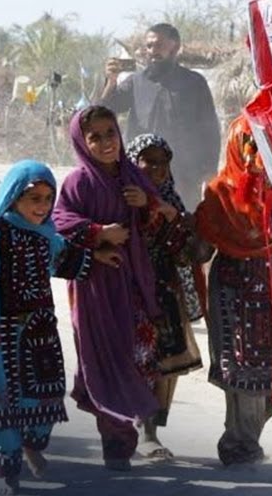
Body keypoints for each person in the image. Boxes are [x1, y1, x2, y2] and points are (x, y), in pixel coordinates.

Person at [0, 159, 115, 495]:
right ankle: (10, 471)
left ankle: (33, 445)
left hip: (41, 333)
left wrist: (98, 256)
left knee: (43, 401)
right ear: (15, 197)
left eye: (49, 198)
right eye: (35, 198)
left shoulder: (47, 234)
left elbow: (63, 259)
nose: (43, 206)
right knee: (5, 406)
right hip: (3, 335)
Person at [52, 106, 164, 471]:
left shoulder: (133, 177)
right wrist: (99, 236)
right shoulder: (78, 183)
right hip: (95, 290)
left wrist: (145, 204)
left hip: (134, 286)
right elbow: (59, 223)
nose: (104, 142)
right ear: (82, 142)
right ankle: (115, 445)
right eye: (95, 136)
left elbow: (156, 224)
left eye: (110, 133)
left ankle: (133, 437)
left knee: (137, 357)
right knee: (104, 356)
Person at [194, 115, 272, 466]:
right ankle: (239, 442)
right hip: (232, 292)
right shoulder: (218, 195)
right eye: (249, 146)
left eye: (263, 148)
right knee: (239, 370)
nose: (256, 157)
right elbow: (199, 249)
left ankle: (242, 437)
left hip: (271, 290)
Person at [125, 133, 204, 460]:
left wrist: (174, 219)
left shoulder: (171, 198)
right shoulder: (123, 197)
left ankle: (151, 431)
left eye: (163, 162)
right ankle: (137, 431)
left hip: (165, 293)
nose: (156, 168)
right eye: (148, 161)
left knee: (164, 365)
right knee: (139, 360)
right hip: (131, 293)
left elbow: (186, 252)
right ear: (133, 162)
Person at [98, 23, 222, 208]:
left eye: (158, 45)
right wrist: (111, 80)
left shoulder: (194, 82)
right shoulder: (136, 81)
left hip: (183, 172)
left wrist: (209, 169)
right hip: (140, 171)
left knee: (183, 222)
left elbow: (210, 128)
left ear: (175, 46)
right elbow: (106, 109)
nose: (152, 51)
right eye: (149, 46)